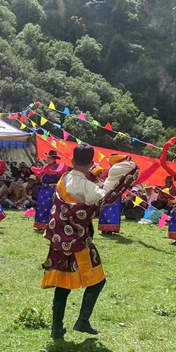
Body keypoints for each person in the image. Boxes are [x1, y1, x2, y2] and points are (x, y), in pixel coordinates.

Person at [41, 144, 139, 339]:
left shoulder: (63, 179)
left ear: (72, 161)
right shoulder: (88, 187)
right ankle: (82, 321)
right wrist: (115, 173)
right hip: (79, 241)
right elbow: (105, 196)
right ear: (91, 163)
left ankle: (56, 328)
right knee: (98, 281)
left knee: (62, 283)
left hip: (59, 240)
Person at [32, 150, 67, 230]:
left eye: (50, 158)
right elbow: (39, 173)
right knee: (40, 204)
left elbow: (59, 173)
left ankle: (48, 225)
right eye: (47, 157)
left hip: (53, 188)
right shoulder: (45, 166)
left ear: (54, 159)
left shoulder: (59, 166)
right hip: (44, 188)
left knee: (49, 206)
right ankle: (40, 224)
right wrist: (35, 167)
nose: (48, 159)